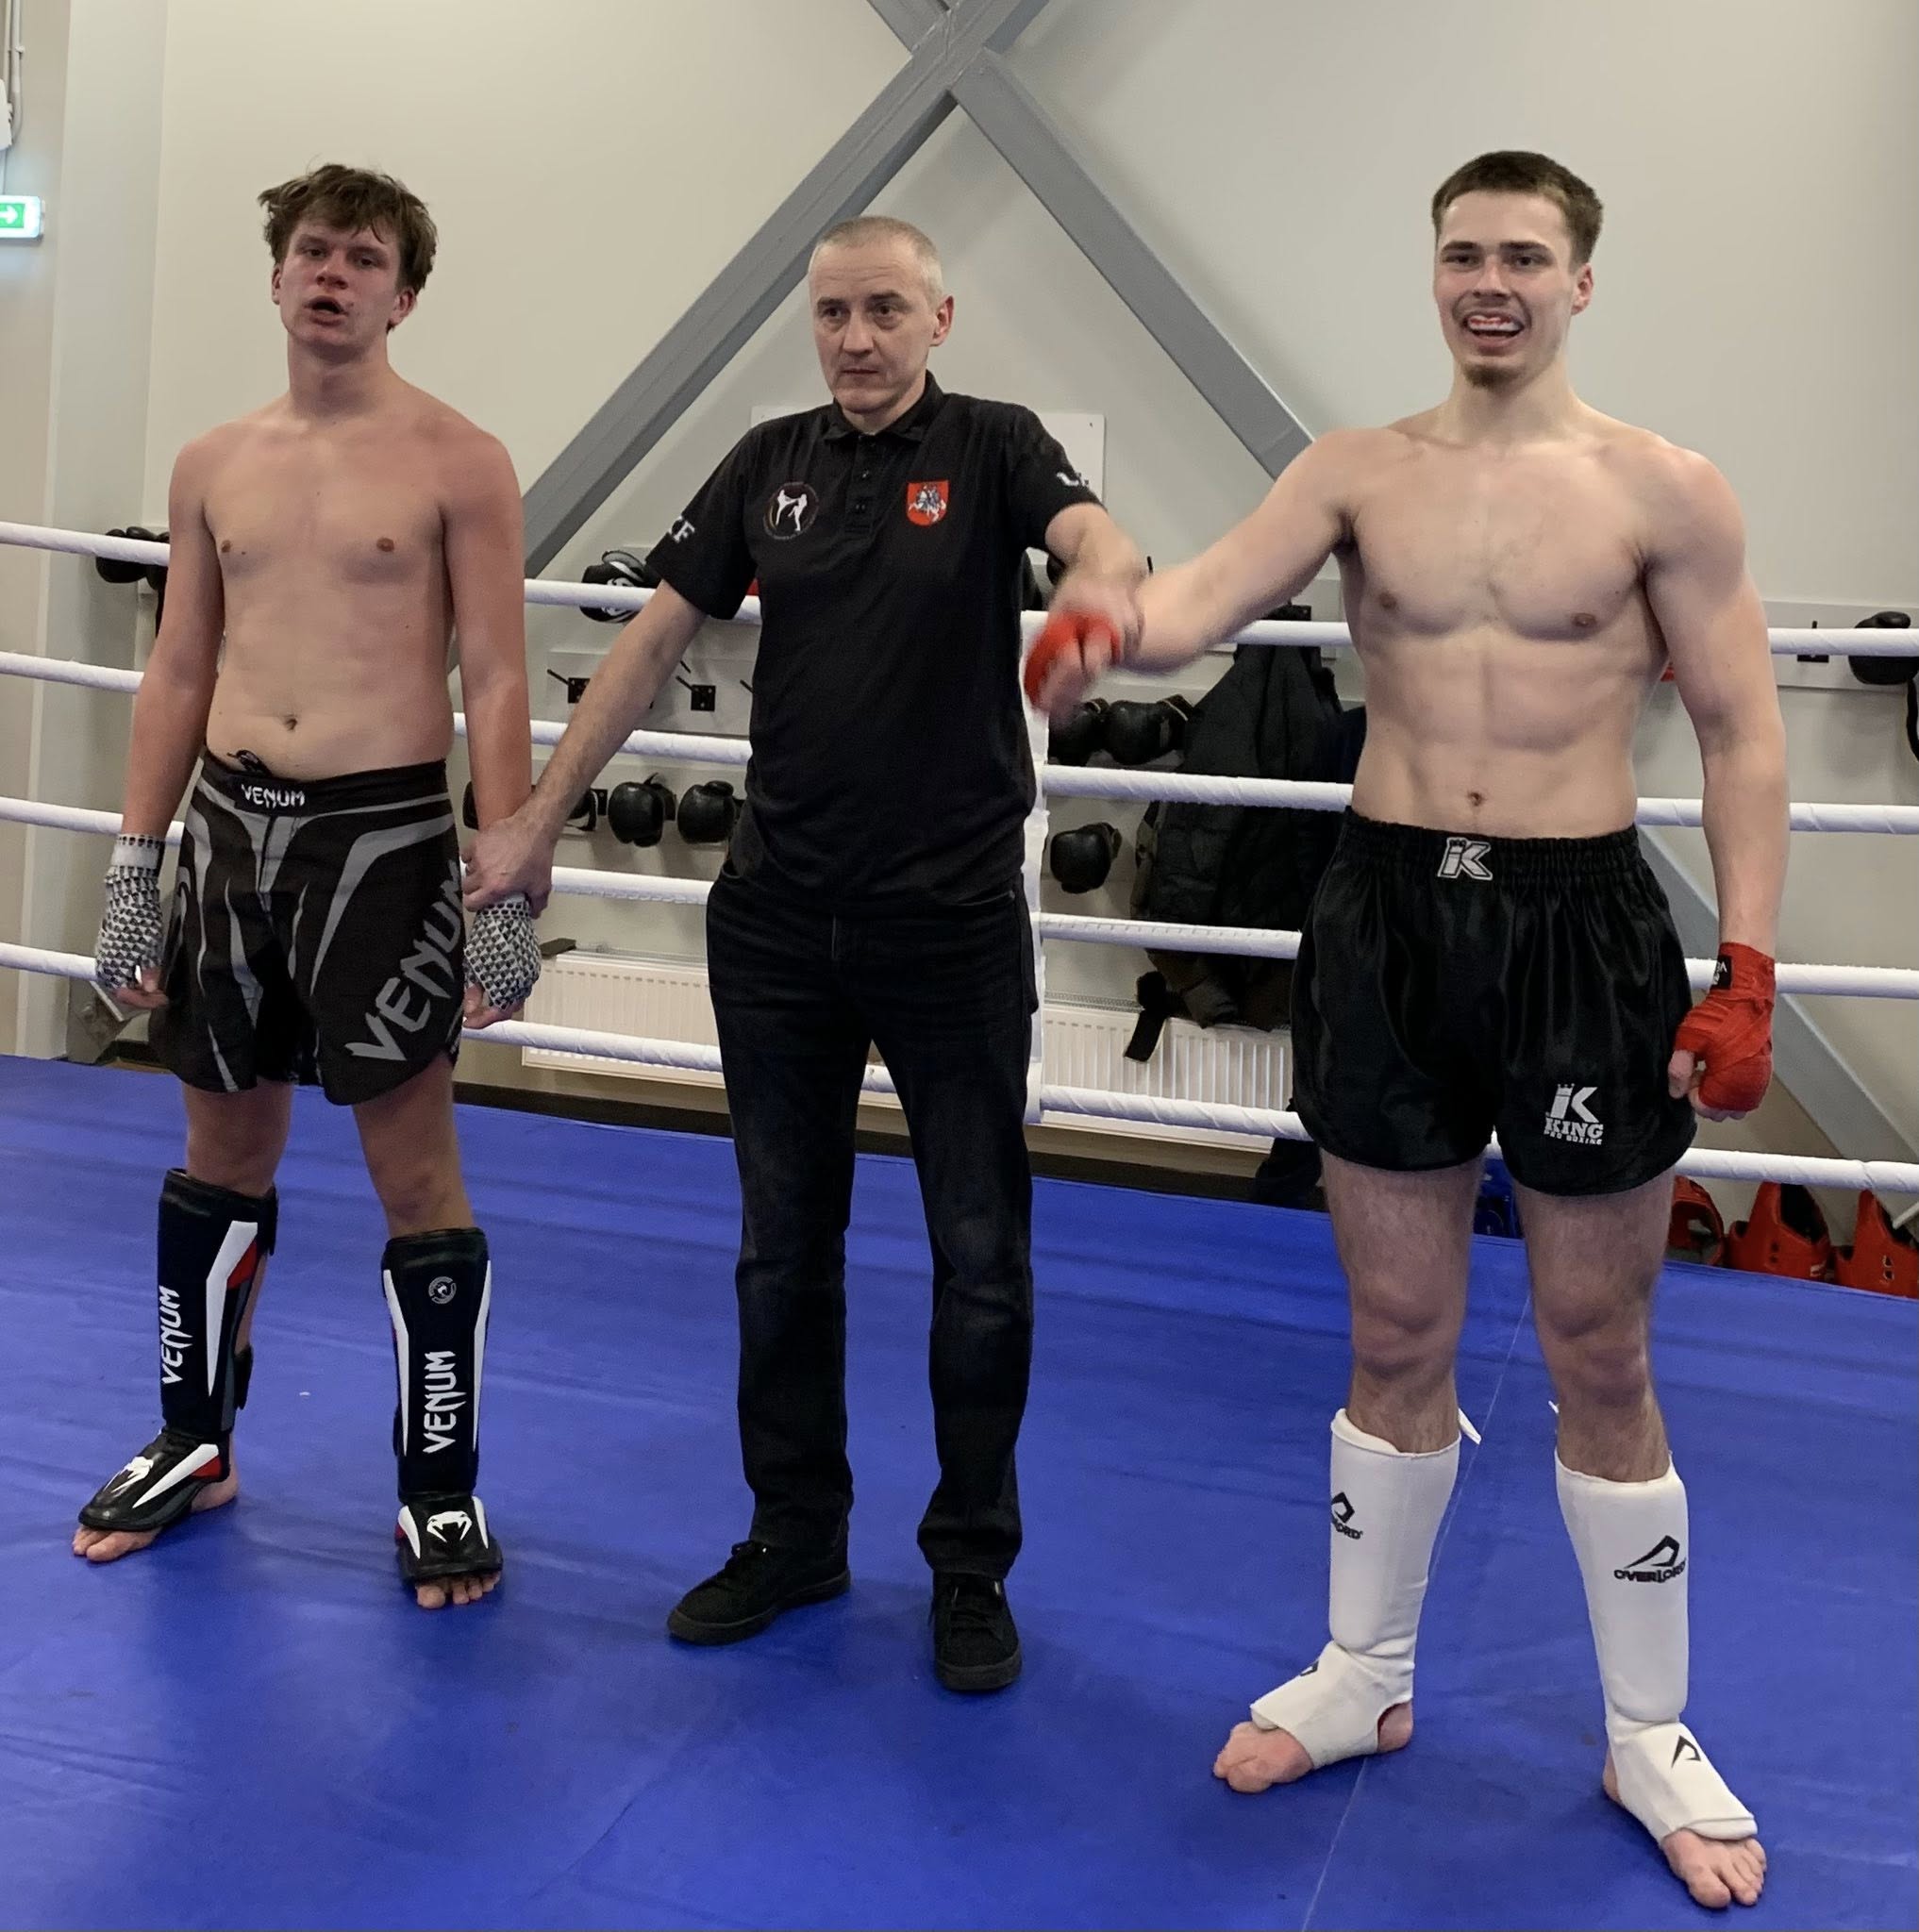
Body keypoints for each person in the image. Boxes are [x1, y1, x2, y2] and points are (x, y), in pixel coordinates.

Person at [1026, 151, 1783, 1907]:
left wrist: (1746, 967)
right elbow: (1198, 603)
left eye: (1522, 255)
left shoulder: (1661, 490)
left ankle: (1647, 1732)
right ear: (1430, 273)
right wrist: (1104, 629)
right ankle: (1361, 1676)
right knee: (1391, 1324)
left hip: (1578, 927)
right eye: (1461, 254)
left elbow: (1740, 731)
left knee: (1597, 1343)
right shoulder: (1354, 470)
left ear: (1579, 280)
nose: (1487, 283)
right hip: (1384, 915)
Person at [464, 214, 1143, 1689]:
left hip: (950, 923)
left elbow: (1092, 535)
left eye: (884, 309)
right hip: (777, 919)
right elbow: (654, 638)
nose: (855, 337)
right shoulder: (765, 459)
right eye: (832, 312)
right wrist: (531, 820)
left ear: (937, 319)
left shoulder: (992, 445)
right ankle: (795, 1533)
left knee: (980, 1256)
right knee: (782, 1249)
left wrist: (1100, 585)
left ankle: (969, 1564)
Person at [77, 164, 542, 1611]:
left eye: (364, 258)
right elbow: (179, 665)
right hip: (228, 834)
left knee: (414, 1173)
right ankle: (194, 1442)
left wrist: (505, 883)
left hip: (382, 842)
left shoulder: (462, 461)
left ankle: (439, 1484)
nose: (333, 274)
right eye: (315, 251)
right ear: (278, 276)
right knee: (220, 1155)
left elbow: (497, 676)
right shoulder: (213, 461)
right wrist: (134, 866)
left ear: (405, 296)